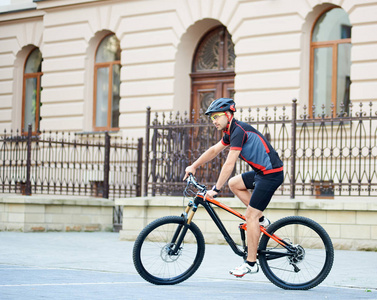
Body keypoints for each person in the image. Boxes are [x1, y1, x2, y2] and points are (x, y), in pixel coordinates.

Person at [183, 98, 284, 277]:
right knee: (234, 183)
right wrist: (194, 166)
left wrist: (216, 188)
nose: (214, 121)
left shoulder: (239, 131)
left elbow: (229, 163)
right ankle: (260, 220)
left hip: (271, 175)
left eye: (216, 116)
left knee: (250, 216)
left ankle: (251, 263)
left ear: (228, 115)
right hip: (262, 173)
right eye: (212, 117)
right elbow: (214, 151)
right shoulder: (231, 132)